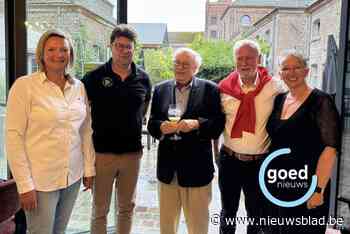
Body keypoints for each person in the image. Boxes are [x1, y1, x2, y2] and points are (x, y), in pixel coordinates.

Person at [5, 29, 95, 234]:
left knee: (59, 231)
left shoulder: (79, 87)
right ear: (42, 54)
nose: (58, 54)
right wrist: (24, 184)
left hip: (71, 176)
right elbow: (13, 137)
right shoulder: (24, 86)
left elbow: (85, 131)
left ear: (70, 54)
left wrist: (89, 169)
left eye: (64, 49)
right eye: (51, 49)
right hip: (40, 180)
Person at [82, 24, 152, 234]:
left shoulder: (143, 78)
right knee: (100, 209)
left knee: (126, 208)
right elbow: (82, 114)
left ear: (134, 49)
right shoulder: (94, 78)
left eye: (128, 47)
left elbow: (144, 108)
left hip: (132, 155)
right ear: (111, 47)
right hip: (102, 155)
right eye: (119, 46)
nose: (124, 50)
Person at [147, 47, 225, 234]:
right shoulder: (160, 89)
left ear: (195, 68)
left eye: (186, 64)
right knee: (167, 227)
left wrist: (197, 124)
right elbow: (152, 123)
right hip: (168, 171)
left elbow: (218, 124)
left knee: (198, 226)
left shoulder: (210, 89)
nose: (180, 67)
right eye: (177, 63)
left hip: (197, 170)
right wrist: (160, 127)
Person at [265, 51, 340, 234]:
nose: (291, 73)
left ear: (306, 71)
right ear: (280, 74)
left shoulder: (321, 101)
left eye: (296, 68)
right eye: (286, 69)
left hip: (307, 185)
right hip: (278, 182)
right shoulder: (279, 100)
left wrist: (318, 190)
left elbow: (330, 150)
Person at [217, 39, 284, 234]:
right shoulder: (223, 88)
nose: (244, 63)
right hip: (229, 160)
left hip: (259, 163)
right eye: (240, 58)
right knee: (227, 212)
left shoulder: (274, 86)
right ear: (234, 61)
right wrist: (216, 155)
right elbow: (214, 122)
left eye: (249, 58)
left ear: (259, 59)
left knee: (256, 214)